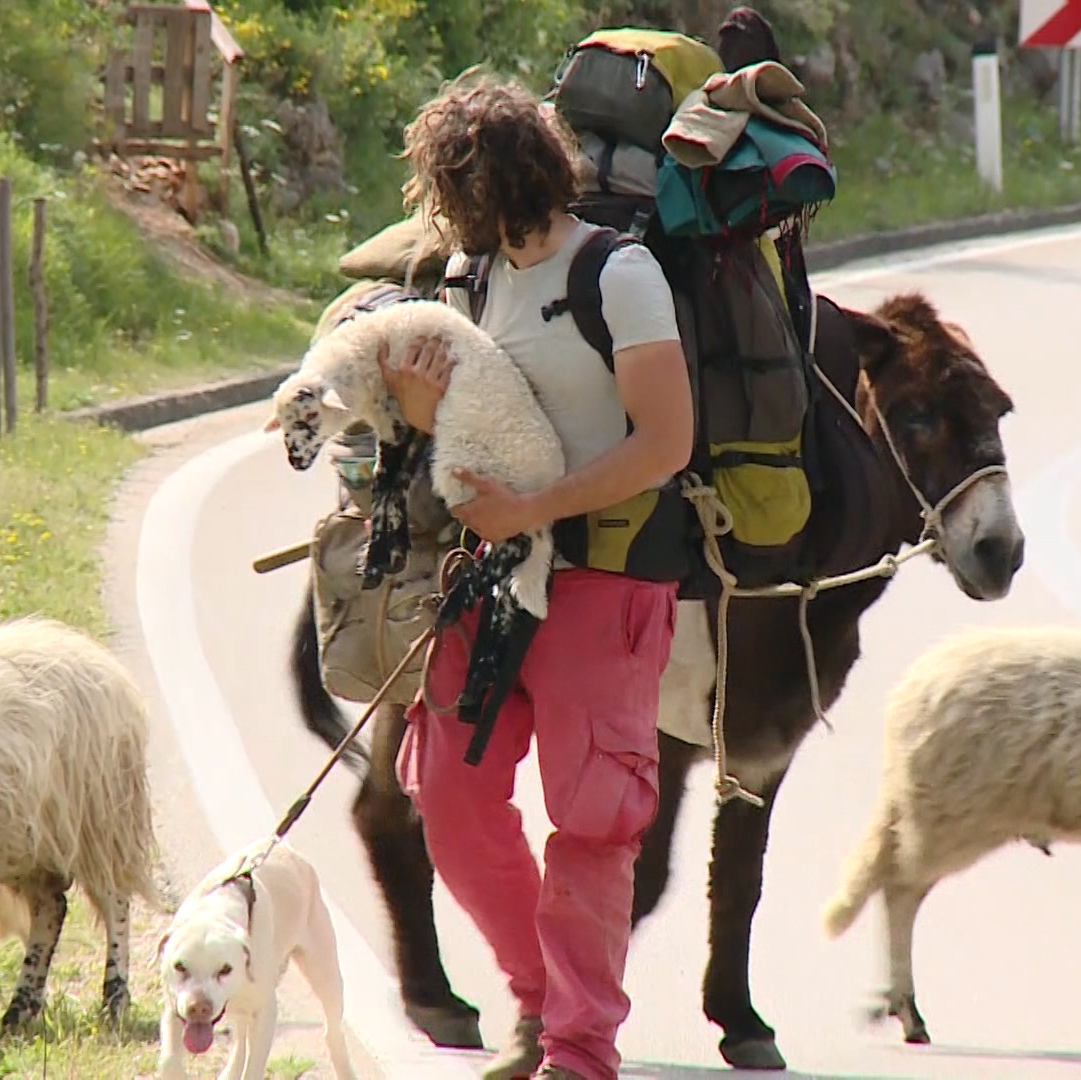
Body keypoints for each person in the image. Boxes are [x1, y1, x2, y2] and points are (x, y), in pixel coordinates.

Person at [378, 69, 693, 1080]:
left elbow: (667, 443)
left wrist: (531, 511)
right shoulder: (473, 279)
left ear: (487, 187)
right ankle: (543, 1000)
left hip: (609, 576)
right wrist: (428, 422)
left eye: (449, 191)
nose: (442, 213)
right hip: (495, 579)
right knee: (450, 797)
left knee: (593, 818)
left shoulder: (620, 276)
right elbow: (468, 425)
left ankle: (578, 1050)